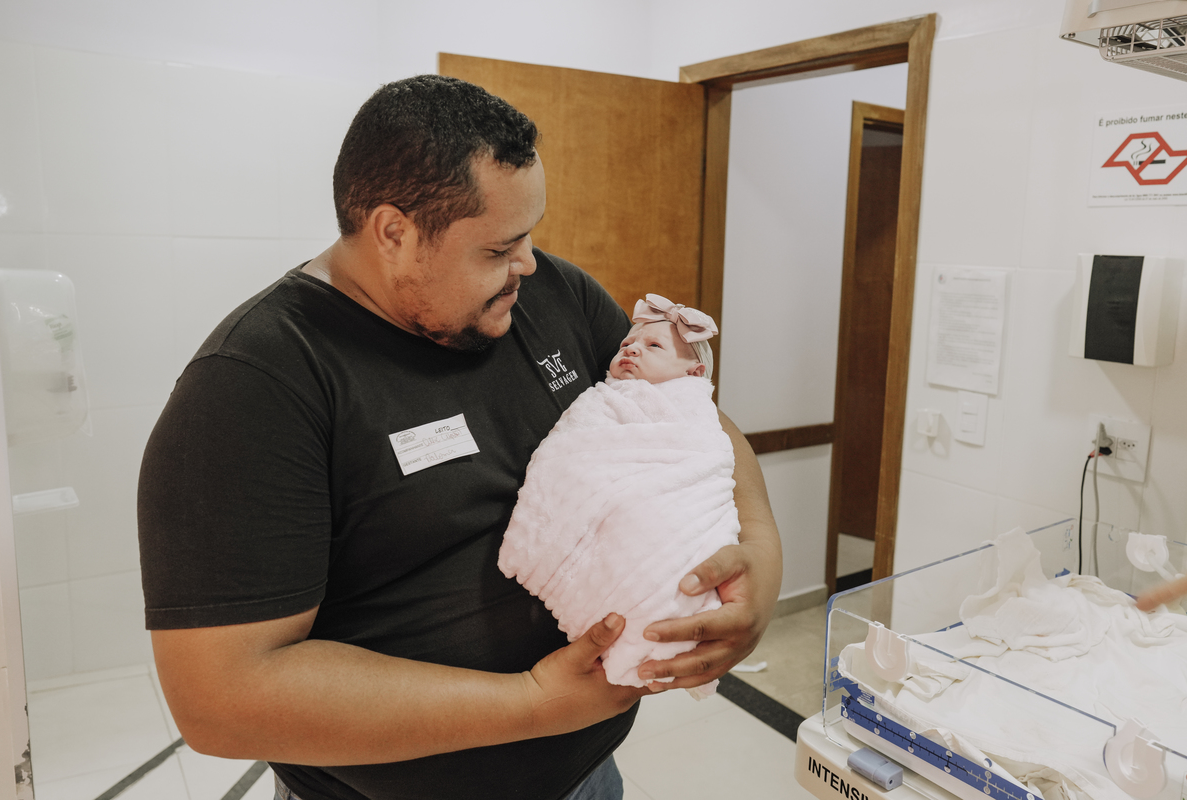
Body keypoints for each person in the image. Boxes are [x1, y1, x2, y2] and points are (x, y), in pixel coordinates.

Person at [137, 75, 782, 800]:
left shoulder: (553, 294)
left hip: (586, 778)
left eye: (530, 235)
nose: (527, 263)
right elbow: (221, 701)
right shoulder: (256, 385)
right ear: (394, 233)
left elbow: (694, 418)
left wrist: (760, 554)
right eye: (500, 247)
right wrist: (532, 704)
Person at [499, 295, 741, 696]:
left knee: (661, 541)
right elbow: (568, 456)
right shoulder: (605, 399)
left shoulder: (694, 412)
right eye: (627, 343)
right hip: (617, 515)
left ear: (694, 372)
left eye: (654, 346)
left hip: (673, 510)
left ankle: (661, 610)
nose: (632, 349)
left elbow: (707, 462)